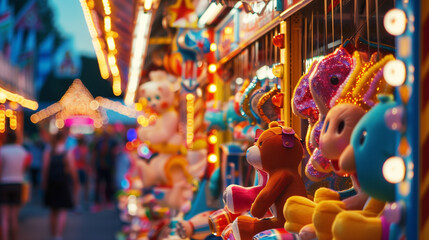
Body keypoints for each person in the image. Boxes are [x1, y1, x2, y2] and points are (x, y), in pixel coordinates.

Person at [42, 131, 78, 240]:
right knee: (62, 210)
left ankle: (53, 234)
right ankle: (58, 235)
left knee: (53, 210)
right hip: (63, 183)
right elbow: (72, 170)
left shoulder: (49, 151)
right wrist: (76, 183)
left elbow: (45, 168)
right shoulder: (66, 152)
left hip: (52, 183)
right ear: (64, 139)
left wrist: (44, 183)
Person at [0, 130, 31, 240]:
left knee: (4, 217)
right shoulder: (22, 151)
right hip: (18, 183)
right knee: (14, 217)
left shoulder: (2, 151)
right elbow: (26, 167)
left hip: (4, 184)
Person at [92, 131, 118, 212]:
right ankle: (97, 202)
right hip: (100, 167)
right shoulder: (99, 143)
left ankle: (108, 201)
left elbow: (115, 153)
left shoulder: (112, 143)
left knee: (108, 184)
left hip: (108, 167)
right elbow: (95, 154)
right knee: (98, 185)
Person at [70, 135, 89, 211]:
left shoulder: (74, 150)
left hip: (75, 169)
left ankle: (76, 203)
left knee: (75, 188)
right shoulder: (85, 149)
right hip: (82, 169)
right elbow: (86, 159)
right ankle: (81, 203)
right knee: (82, 187)